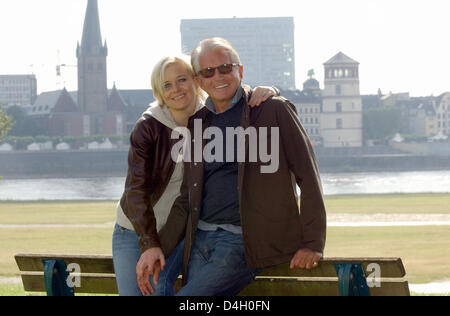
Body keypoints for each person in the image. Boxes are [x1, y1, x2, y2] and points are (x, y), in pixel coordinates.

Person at [137, 37, 327, 296]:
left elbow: (309, 177)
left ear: (240, 70)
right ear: (199, 80)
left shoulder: (272, 110)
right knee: (160, 289)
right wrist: (155, 246)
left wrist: (313, 243)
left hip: (242, 242)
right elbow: (186, 198)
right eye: (208, 71)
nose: (218, 76)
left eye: (225, 68)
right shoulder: (198, 123)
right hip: (199, 240)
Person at [111, 54, 278, 296]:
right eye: (166, 85)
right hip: (134, 230)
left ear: (195, 81)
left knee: (160, 290)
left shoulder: (211, 118)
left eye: (181, 80)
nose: (176, 90)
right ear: (159, 91)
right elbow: (135, 191)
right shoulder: (148, 126)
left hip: (182, 230)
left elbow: (237, 98)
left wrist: (267, 90)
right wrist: (149, 244)